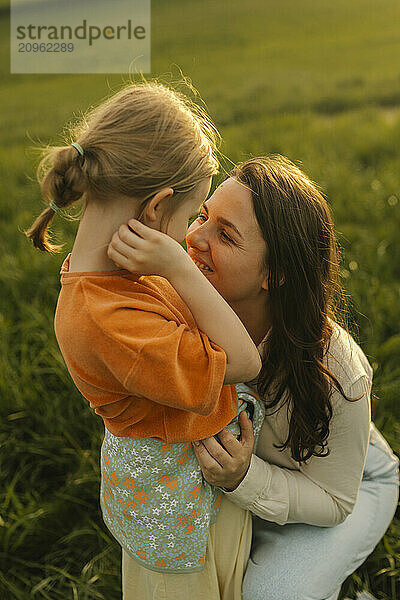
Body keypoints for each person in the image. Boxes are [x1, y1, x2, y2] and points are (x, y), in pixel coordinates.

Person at [113, 155, 399, 600]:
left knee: (272, 594)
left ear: (276, 274)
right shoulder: (181, 306)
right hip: (247, 479)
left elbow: (335, 500)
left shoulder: (338, 371)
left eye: (225, 235)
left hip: (346, 486)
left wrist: (244, 480)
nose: (194, 238)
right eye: (203, 215)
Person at [24, 80, 266, 600]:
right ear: (156, 208)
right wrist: (180, 268)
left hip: (197, 497)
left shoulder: (118, 276)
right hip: (172, 526)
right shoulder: (114, 322)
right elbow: (244, 361)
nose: (189, 240)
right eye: (189, 217)